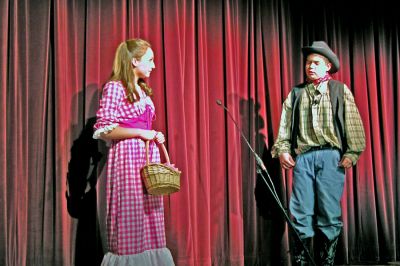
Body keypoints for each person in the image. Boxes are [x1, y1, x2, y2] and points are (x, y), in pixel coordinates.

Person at [271, 41, 366, 266]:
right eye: (308, 63)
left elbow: (353, 124)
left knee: (328, 213)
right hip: (303, 158)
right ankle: (303, 262)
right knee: (301, 212)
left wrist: (352, 153)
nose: (310, 67)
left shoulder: (339, 90)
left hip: (330, 157)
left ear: (327, 67)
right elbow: (284, 126)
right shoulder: (296, 94)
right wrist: (283, 150)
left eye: (316, 63)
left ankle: (326, 262)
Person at [93, 38, 175, 265]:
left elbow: (142, 127)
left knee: (149, 217)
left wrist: (153, 135)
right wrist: (140, 134)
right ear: (134, 61)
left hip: (146, 158)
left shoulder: (143, 91)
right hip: (128, 160)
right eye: (150, 60)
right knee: (130, 218)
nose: (154, 66)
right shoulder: (115, 87)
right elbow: (104, 129)